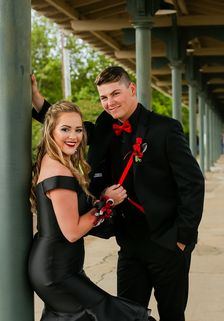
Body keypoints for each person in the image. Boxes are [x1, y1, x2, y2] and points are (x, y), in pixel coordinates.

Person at [31, 66, 205, 321]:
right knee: (127, 314)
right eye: (104, 97)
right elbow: (65, 125)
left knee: (172, 314)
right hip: (129, 244)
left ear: (131, 89)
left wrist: (182, 236)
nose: (109, 103)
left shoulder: (165, 129)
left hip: (167, 242)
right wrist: (36, 98)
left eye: (115, 94)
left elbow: (193, 184)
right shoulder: (105, 125)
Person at [28, 100, 149, 321]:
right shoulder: (59, 172)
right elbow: (72, 231)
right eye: (65, 129)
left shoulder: (55, 157)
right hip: (57, 271)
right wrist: (106, 202)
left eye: (78, 129)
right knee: (115, 315)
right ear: (51, 131)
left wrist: (36, 97)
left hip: (61, 266)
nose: (73, 136)